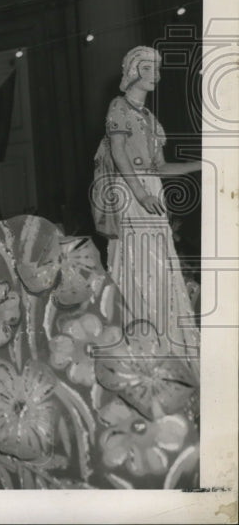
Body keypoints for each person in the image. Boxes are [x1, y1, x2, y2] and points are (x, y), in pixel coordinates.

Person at [92, 45, 200, 363]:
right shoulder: (119, 107)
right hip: (131, 193)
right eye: (150, 68)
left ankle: (166, 339)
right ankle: (140, 341)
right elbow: (118, 152)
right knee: (137, 264)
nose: (157, 75)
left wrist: (200, 165)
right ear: (134, 71)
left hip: (152, 193)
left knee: (161, 264)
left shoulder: (150, 118)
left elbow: (160, 167)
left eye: (159, 69)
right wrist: (140, 193)